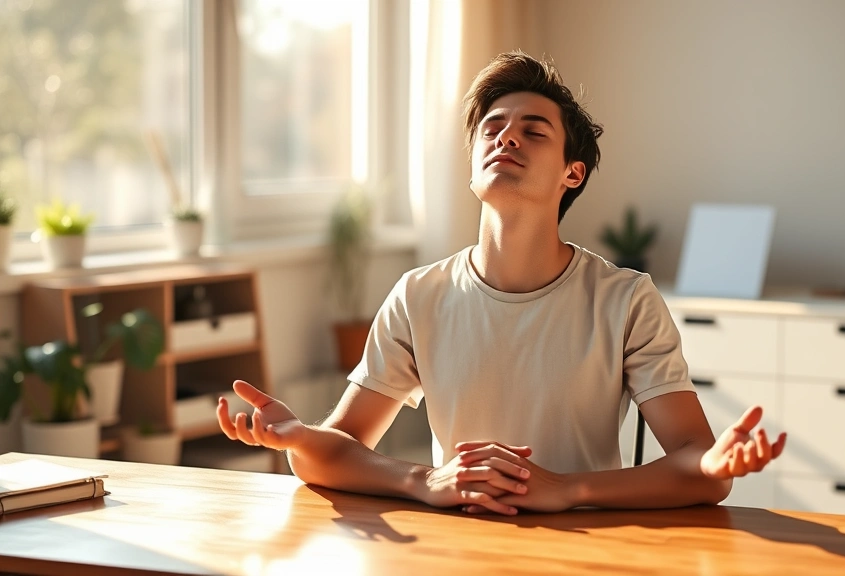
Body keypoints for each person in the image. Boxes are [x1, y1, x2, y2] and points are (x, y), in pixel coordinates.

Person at [218, 51, 785, 516]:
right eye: (493, 128)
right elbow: (329, 452)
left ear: (572, 173)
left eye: (533, 131)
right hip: (457, 549)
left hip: (590, 551)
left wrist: (565, 489)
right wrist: (418, 478)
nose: (506, 138)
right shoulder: (419, 295)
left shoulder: (626, 299)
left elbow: (699, 464)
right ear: (471, 165)